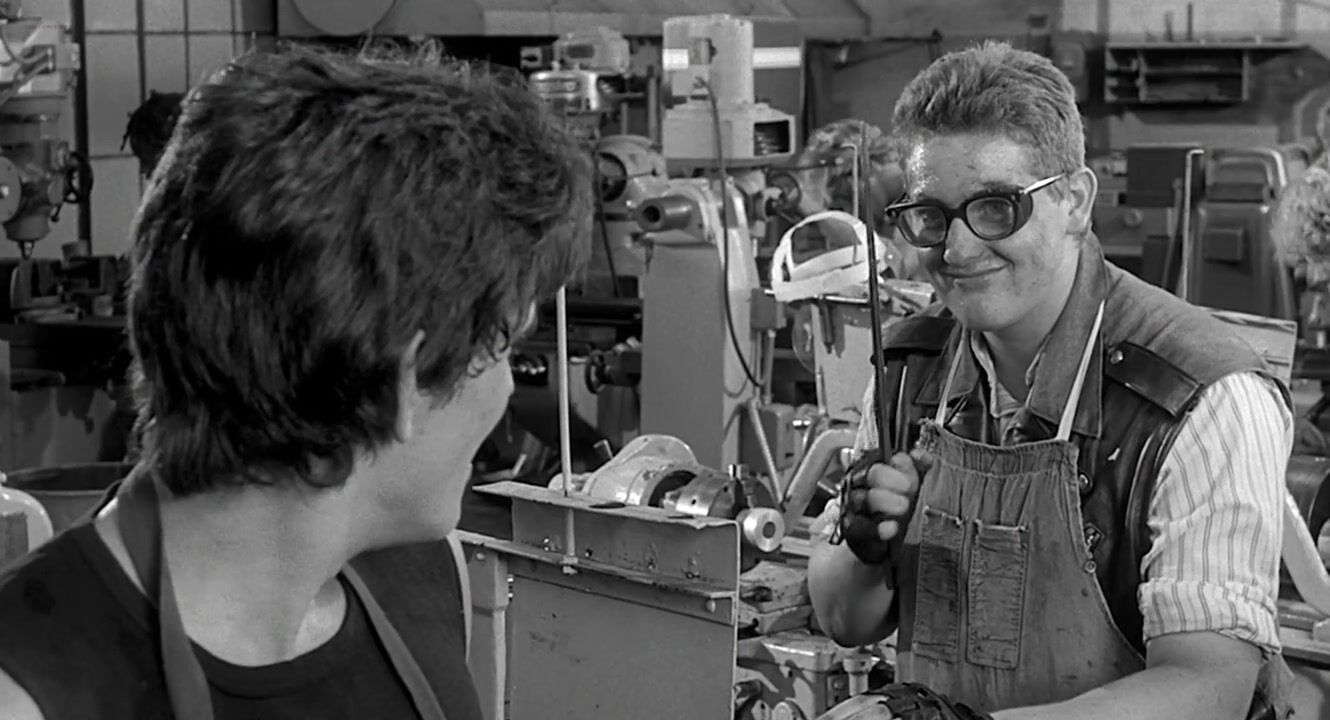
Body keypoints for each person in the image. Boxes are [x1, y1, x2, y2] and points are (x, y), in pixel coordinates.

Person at [0, 43, 592, 719]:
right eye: (503, 347)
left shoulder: (428, 577)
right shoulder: (25, 695)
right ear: (401, 382)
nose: (507, 391)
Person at [808, 41, 1292, 720]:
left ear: (1075, 201)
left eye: (996, 208)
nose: (956, 249)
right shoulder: (910, 371)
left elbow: (1209, 688)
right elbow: (843, 620)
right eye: (930, 216)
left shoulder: (1200, 397)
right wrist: (864, 551)